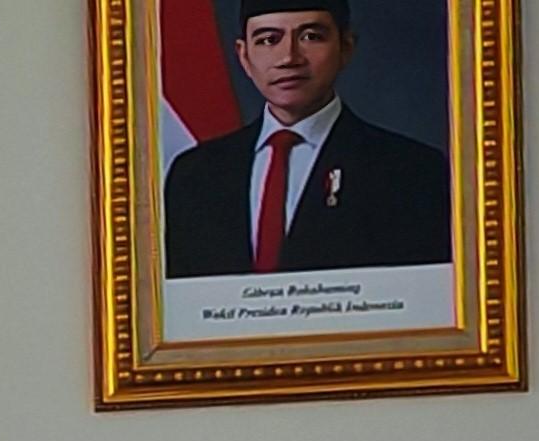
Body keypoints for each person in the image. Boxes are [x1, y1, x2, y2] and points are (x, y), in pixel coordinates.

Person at [162, 1, 452, 278]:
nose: (289, 58)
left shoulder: (412, 172)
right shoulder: (194, 175)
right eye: (268, 39)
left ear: (346, 47)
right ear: (243, 56)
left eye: (311, 36)